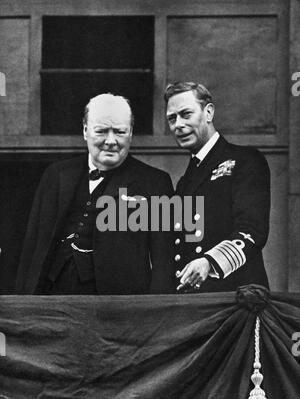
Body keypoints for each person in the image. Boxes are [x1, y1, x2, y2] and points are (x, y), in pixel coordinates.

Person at [16, 93, 175, 295]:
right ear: (85, 131)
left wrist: (156, 313)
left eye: (119, 132)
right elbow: (33, 246)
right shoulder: (56, 175)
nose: (110, 141)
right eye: (101, 131)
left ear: (131, 133)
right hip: (51, 297)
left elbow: (164, 261)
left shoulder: (155, 183)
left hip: (115, 307)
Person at [165, 81, 270, 293]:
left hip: (237, 299)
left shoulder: (245, 160)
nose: (178, 124)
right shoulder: (184, 182)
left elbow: (252, 231)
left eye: (186, 114)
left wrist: (209, 262)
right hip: (195, 304)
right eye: (172, 118)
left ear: (209, 112)